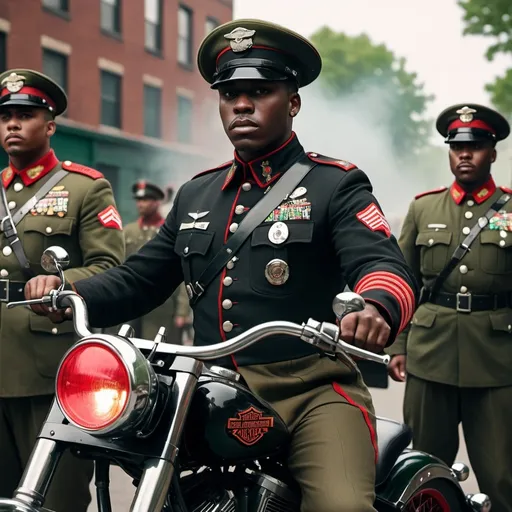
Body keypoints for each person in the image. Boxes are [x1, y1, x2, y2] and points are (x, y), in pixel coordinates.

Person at [25, 21, 417, 511]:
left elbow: (382, 262)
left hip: (312, 391)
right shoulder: (197, 194)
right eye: (230, 94)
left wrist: (376, 309)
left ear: (293, 102)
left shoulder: (334, 184)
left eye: (261, 91)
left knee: (341, 505)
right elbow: (140, 279)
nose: (242, 105)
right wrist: (74, 295)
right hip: (212, 388)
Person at [0, 69, 125, 510]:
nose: (12, 124)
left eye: (26, 115)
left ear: (50, 126)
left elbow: (111, 268)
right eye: (6, 116)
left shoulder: (84, 188)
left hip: (50, 372)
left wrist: (62, 282)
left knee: (56, 500)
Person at [387, 103, 512, 511]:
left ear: (492, 152)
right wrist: (397, 345)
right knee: (422, 469)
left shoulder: (510, 210)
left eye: (475, 145)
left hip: (496, 360)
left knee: (500, 476)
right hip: (430, 355)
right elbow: (402, 281)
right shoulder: (424, 208)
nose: (465, 154)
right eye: (457, 146)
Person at [109, 180, 192, 343]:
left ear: (157, 202)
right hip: (132, 302)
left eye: (146, 200)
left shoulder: (169, 232)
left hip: (163, 307)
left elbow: (183, 272)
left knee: (160, 352)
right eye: (139, 200)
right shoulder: (128, 231)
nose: (141, 204)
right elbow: (119, 265)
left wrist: (182, 311)